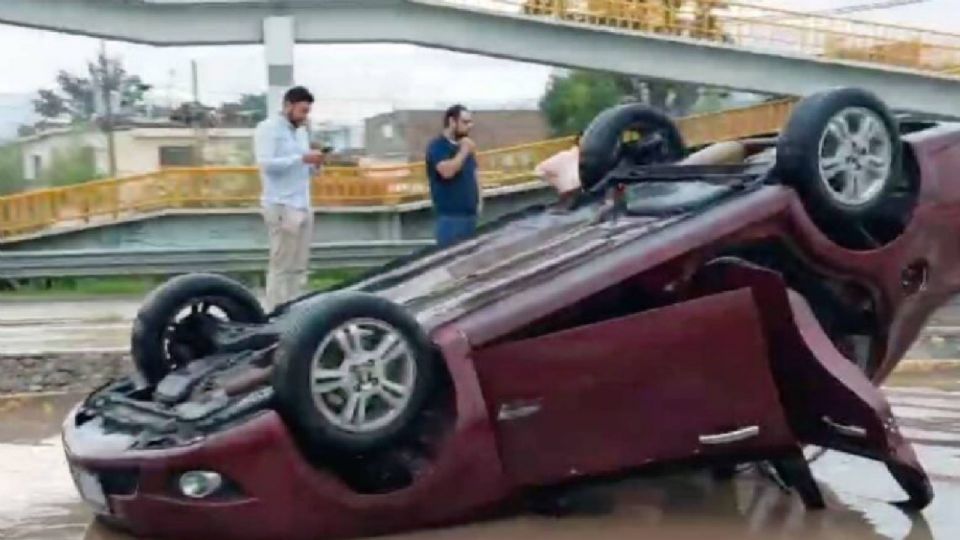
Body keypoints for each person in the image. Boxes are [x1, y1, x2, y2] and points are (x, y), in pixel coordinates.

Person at [254, 86, 325, 310]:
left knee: (299, 264)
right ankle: (276, 309)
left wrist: (315, 163)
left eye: (307, 112)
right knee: (281, 263)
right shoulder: (268, 129)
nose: (305, 117)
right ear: (288, 106)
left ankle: (296, 307)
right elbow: (266, 164)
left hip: (302, 202)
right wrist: (301, 158)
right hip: (281, 203)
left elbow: (303, 166)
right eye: (302, 111)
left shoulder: (301, 132)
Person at [425, 104, 480, 248]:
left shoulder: (464, 147)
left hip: (470, 216)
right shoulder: (438, 146)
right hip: (450, 219)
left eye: (470, 122)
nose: (470, 126)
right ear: (452, 122)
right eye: (465, 122)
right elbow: (447, 172)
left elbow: (474, 175)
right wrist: (464, 151)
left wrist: (479, 201)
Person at [535, 131, 582, 207]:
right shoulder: (564, 157)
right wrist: (557, 181)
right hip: (572, 196)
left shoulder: (592, 157)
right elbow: (539, 171)